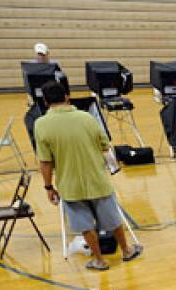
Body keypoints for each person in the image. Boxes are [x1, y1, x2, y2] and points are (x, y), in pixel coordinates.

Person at [34, 81, 142, 270]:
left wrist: (48, 187)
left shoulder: (41, 125)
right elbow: (105, 145)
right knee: (113, 218)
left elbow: (45, 161)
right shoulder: (87, 118)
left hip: (70, 185)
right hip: (97, 180)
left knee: (85, 224)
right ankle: (126, 250)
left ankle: (99, 260)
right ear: (67, 97)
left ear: (45, 101)